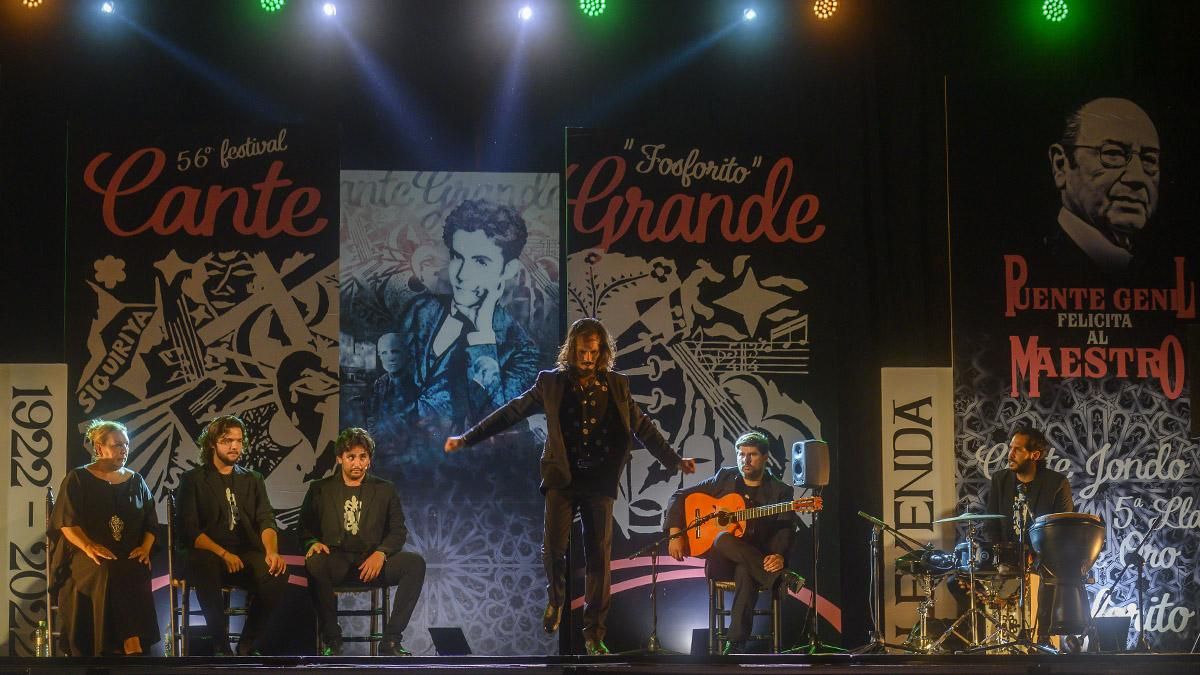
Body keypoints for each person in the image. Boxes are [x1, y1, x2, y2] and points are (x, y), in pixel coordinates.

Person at [444, 317, 697, 655]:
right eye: (581, 352)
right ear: (571, 350)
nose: (587, 359)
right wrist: (467, 438)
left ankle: (594, 633)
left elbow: (643, 428)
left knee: (599, 558)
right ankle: (556, 600)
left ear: (602, 352)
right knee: (553, 548)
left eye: (593, 353)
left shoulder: (617, 385)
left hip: (599, 481)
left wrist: (675, 460)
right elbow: (512, 412)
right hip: (562, 478)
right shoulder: (551, 383)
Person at [372, 199, 540, 470]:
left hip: (464, 476)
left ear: (507, 271)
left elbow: (496, 417)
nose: (461, 274)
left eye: (480, 261)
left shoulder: (522, 351)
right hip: (401, 465)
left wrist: (483, 334)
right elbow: (390, 386)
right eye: (457, 257)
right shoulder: (420, 310)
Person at [663, 431, 805, 654]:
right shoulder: (724, 478)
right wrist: (675, 533)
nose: (745, 460)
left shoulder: (781, 491)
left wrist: (779, 556)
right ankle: (782, 578)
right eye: (741, 454)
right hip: (721, 563)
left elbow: (786, 529)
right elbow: (679, 496)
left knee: (745, 570)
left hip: (758, 563)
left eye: (752, 455)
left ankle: (736, 643)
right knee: (721, 538)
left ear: (766, 457)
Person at [300, 427, 426, 656]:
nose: (357, 463)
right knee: (315, 562)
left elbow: (398, 531)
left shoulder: (384, 489)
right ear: (340, 458)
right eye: (351, 457)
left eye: (362, 457)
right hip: (336, 562)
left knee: (414, 564)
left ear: (369, 459)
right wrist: (311, 543)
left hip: (372, 563)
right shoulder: (320, 488)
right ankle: (332, 640)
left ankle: (390, 641)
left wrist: (381, 553)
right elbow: (304, 528)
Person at [176, 415, 289, 656]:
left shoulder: (252, 479)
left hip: (244, 551)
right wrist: (223, 553)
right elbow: (189, 531)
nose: (235, 446)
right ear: (212, 444)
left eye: (239, 441)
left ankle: (248, 643)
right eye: (228, 440)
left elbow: (266, 520)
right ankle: (220, 644)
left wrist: (271, 552)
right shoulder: (193, 480)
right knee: (203, 562)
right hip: (208, 552)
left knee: (276, 572)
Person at [48, 420, 159, 655]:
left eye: (126, 444)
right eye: (117, 444)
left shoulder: (136, 481)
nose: (124, 450)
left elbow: (151, 522)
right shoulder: (78, 478)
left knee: (135, 568)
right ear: (99, 448)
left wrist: (146, 548)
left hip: (126, 552)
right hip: (85, 554)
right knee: (106, 568)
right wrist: (89, 546)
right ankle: (124, 646)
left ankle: (126, 646)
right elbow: (67, 523)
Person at [1046, 97, 1160, 274]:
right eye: (1113, 153)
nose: (1137, 177)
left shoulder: (1156, 265)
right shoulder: (1042, 258)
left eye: (1149, 159)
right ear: (1061, 165)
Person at [984, 425, 1074, 642]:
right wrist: (1001, 553)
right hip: (1006, 554)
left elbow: (1061, 529)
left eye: (1017, 449)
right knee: (957, 580)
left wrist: (1037, 553)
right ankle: (987, 639)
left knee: (1050, 574)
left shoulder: (1056, 483)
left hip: (1042, 557)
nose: (1010, 454)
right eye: (1010, 447)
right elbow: (991, 523)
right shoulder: (1000, 480)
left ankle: (1043, 638)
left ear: (1034, 455)